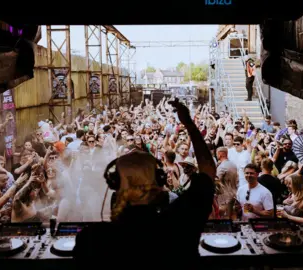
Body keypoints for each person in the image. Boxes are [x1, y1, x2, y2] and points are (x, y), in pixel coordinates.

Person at [72, 98, 216, 269]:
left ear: (115, 186)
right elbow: (208, 169)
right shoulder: (181, 222)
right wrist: (188, 123)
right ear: (160, 182)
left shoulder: (91, 240)